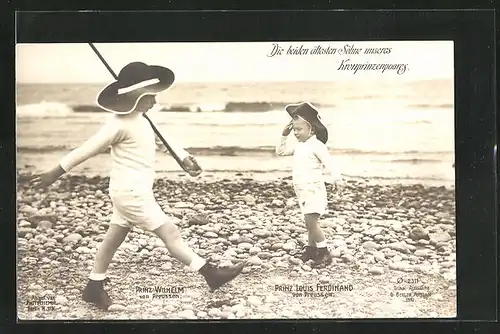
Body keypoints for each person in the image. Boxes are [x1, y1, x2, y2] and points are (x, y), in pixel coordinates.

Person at [29, 62, 246, 311]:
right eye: (150, 96)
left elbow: (165, 142)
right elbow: (87, 149)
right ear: (136, 97)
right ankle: (210, 273)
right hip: (132, 194)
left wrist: (184, 158)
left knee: (112, 241)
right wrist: (55, 172)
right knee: (170, 233)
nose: (155, 101)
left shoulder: (143, 120)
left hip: (130, 192)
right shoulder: (118, 124)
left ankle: (93, 287)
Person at [275, 102, 343, 266]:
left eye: (299, 130)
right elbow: (280, 151)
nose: (296, 133)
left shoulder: (317, 146)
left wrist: (337, 178)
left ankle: (324, 252)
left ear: (311, 129)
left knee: (311, 222)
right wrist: (284, 135)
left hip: (314, 190)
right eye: (295, 129)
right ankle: (311, 250)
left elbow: (329, 162)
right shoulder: (300, 145)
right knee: (309, 224)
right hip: (302, 191)